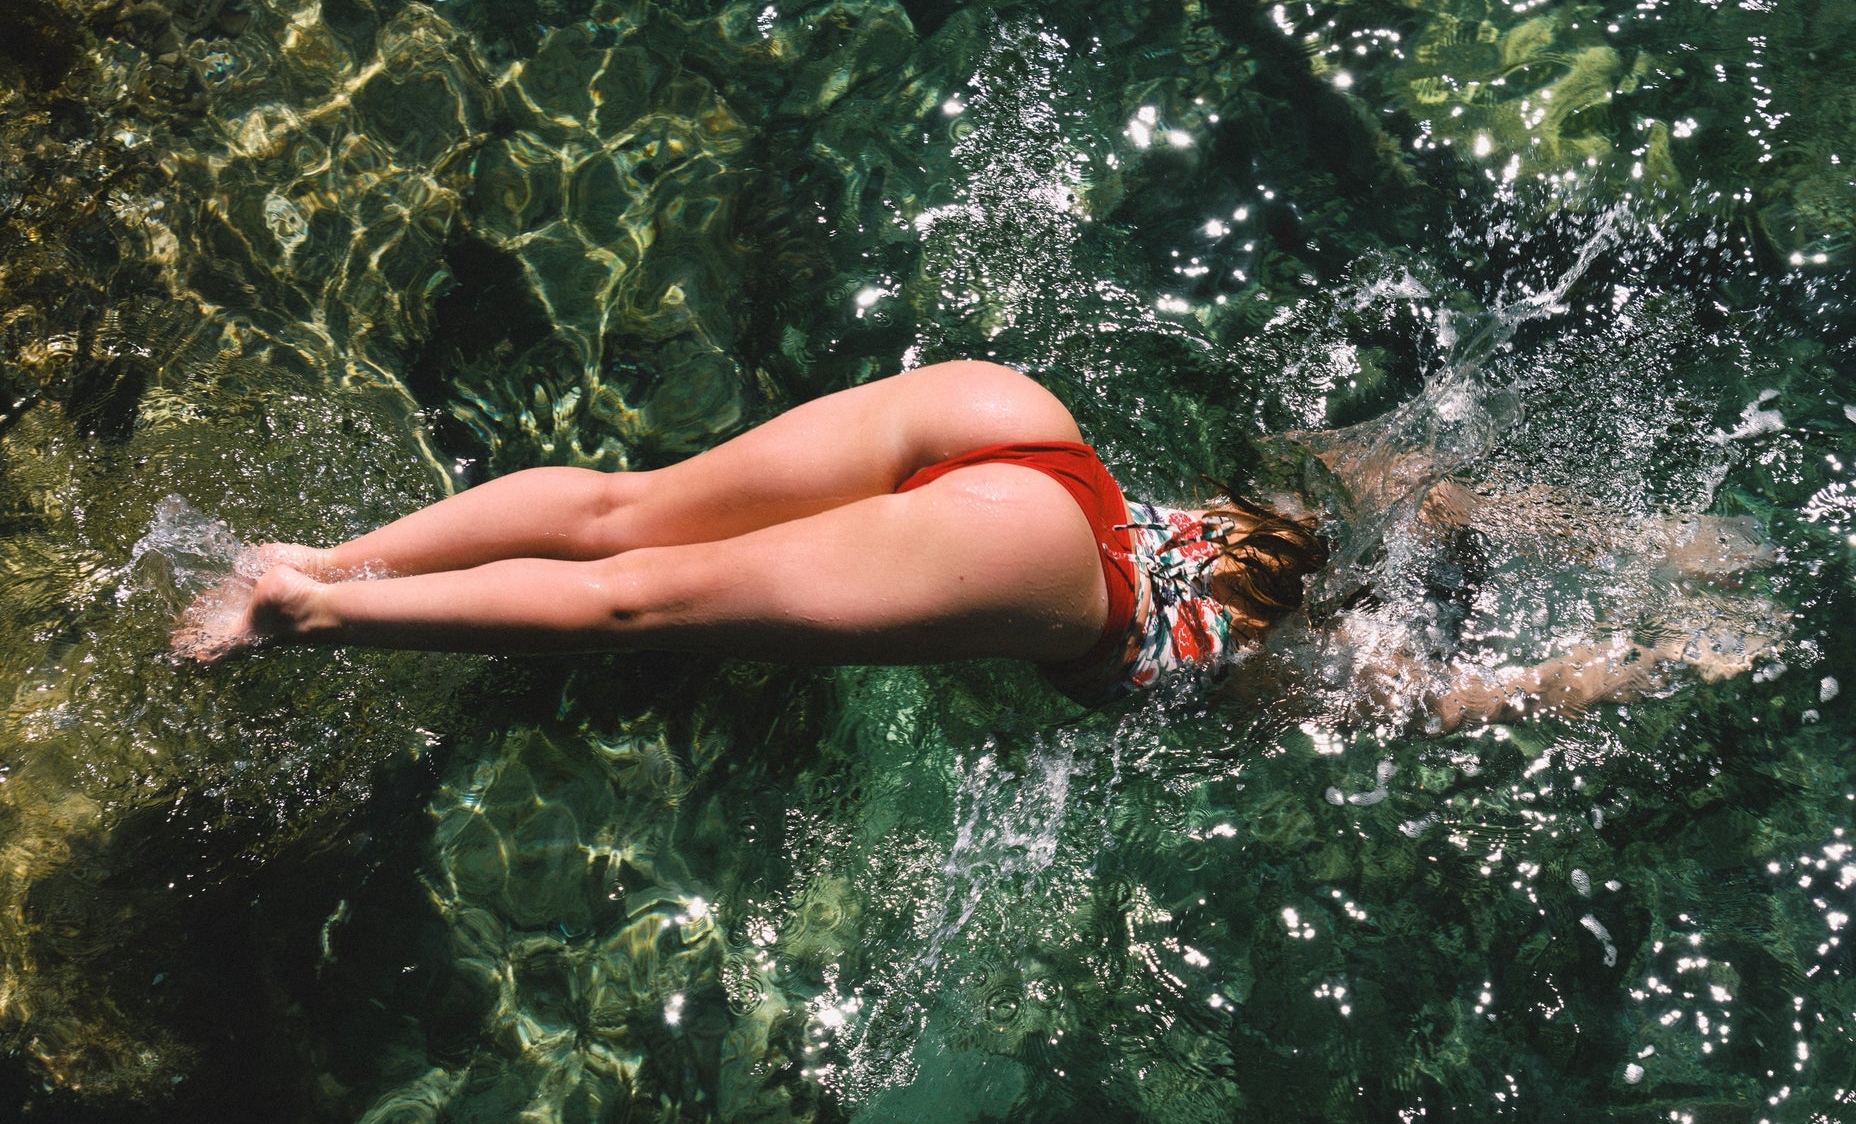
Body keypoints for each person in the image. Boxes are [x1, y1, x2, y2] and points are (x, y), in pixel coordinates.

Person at [169, 357, 1773, 721]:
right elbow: (1488, 699)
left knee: (622, 507)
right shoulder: (1311, 671)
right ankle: (309, 612)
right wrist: (1655, 667)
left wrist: (1652, 535)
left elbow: (1436, 484)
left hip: (1021, 425)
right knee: (636, 603)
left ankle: (330, 552)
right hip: (1044, 570)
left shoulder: (1305, 510)